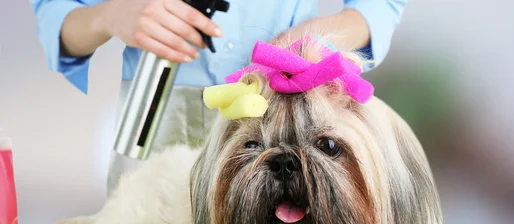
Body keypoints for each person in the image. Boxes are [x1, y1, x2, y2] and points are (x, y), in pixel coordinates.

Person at [29, 0, 407, 195]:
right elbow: (58, 15)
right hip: (155, 107)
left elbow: (379, 6)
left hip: (274, 108)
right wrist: (109, 15)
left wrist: (318, 35)